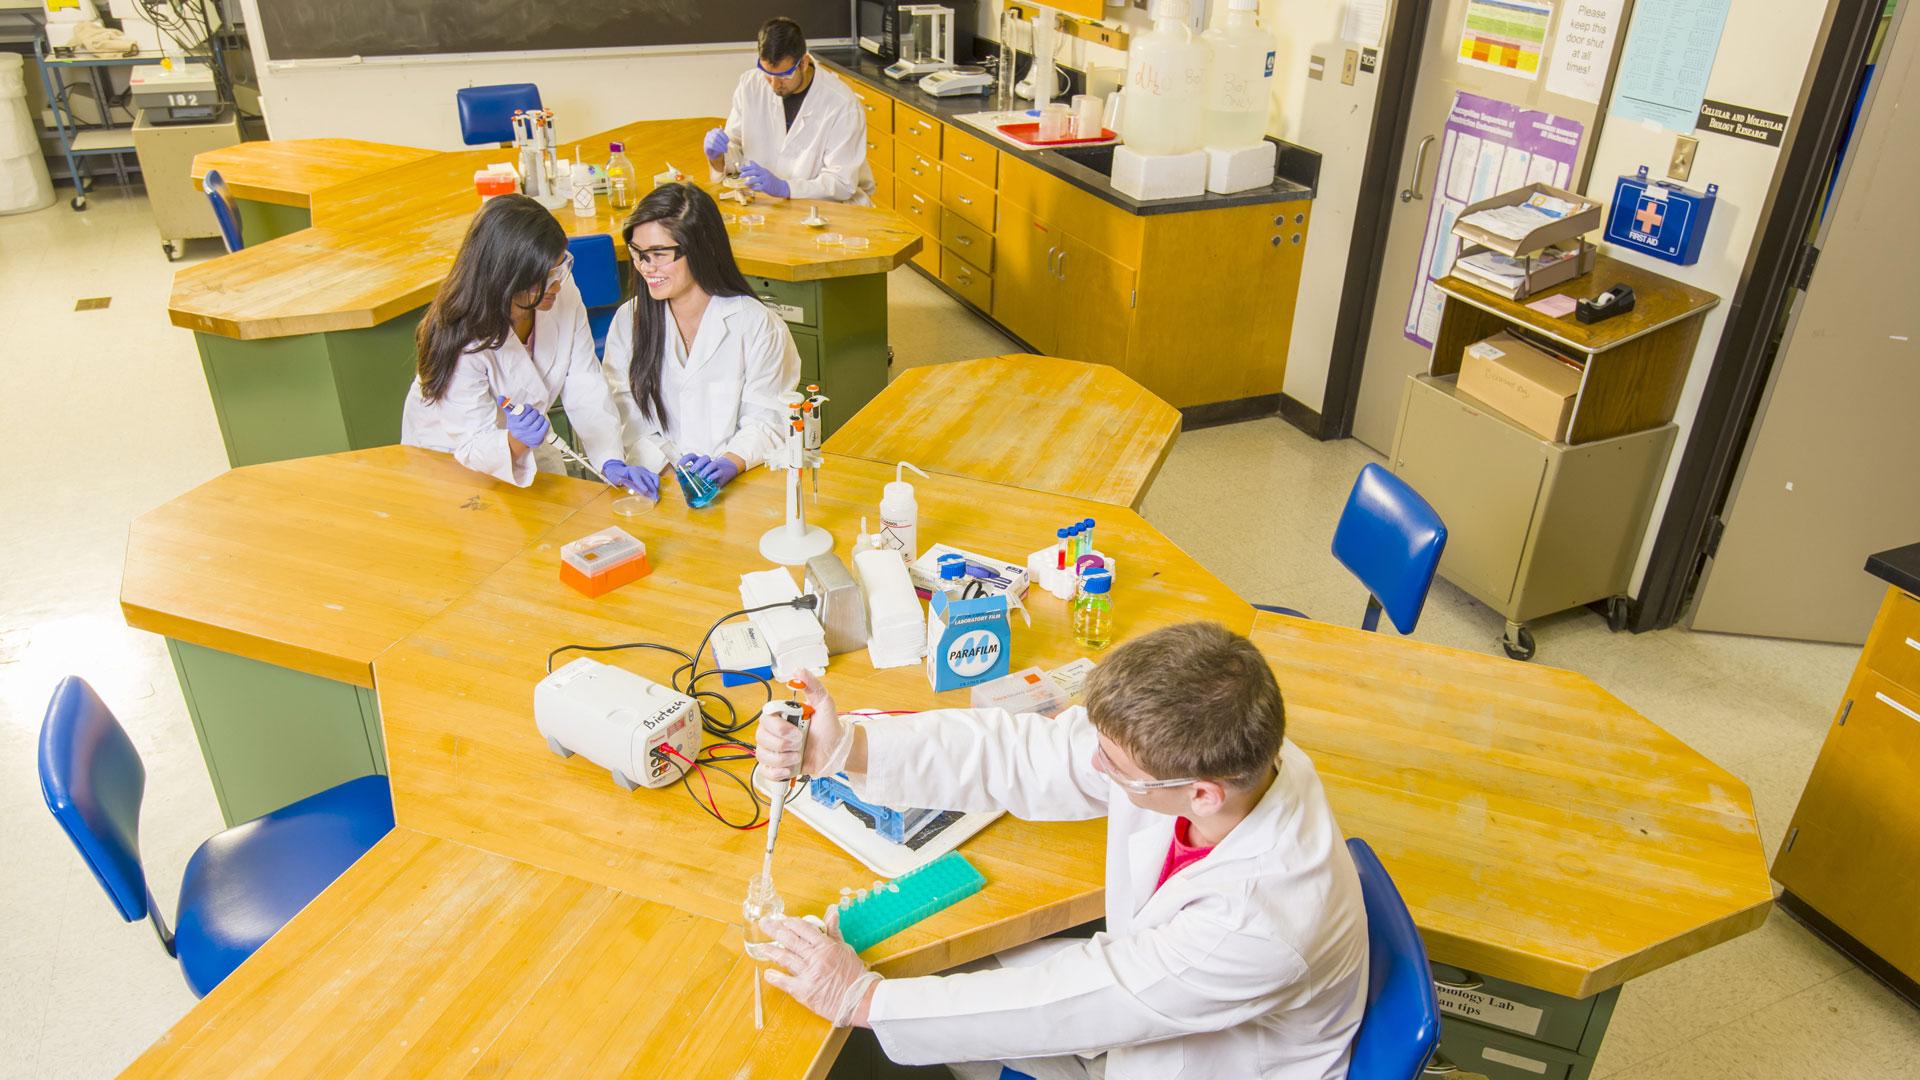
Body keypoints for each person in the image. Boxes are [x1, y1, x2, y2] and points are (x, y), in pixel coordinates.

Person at [753, 622, 1371, 1080]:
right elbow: (1025, 752)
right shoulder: (1234, 756)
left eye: (1114, 764)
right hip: (1153, 1003)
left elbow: (1084, 1000)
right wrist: (846, 749)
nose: (1093, 763)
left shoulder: (1262, 920)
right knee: (949, 991)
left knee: (934, 1015)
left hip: (1210, 1063)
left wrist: (861, 999)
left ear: (1202, 794)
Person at [401, 193, 652, 494]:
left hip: (524, 441)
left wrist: (610, 460)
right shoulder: (461, 335)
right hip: (453, 456)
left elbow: (584, 381)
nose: (557, 284)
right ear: (504, 278)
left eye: (560, 267)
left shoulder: (558, 291)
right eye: (544, 277)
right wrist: (514, 441)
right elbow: (471, 441)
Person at [603, 183, 801, 489]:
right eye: (638, 253)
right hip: (658, 485)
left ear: (702, 248)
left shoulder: (759, 325)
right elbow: (626, 411)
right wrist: (669, 472)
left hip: (741, 484)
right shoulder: (630, 320)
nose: (645, 266)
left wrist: (728, 465)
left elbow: (767, 419)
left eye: (659, 254)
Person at [704, 17, 875, 206]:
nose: (775, 85)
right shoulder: (750, 85)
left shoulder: (842, 104)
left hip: (821, 210)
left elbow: (842, 183)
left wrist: (786, 188)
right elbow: (735, 158)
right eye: (768, 74)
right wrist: (717, 156)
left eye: (784, 76)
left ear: (803, 62)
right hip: (763, 205)